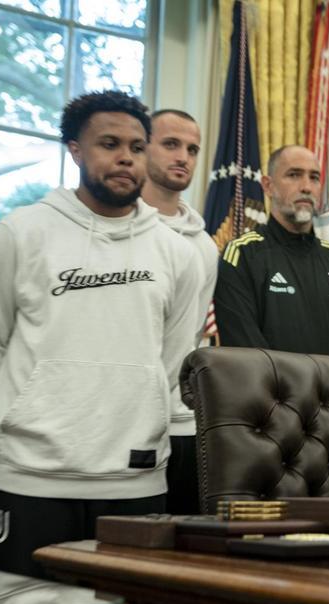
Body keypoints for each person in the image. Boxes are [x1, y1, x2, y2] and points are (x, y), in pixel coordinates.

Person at [0, 90, 201, 577]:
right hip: (32, 477)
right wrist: (29, 406)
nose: (125, 159)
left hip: (134, 481)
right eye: (109, 144)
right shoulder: (21, 233)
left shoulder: (177, 254)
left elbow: (174, 358)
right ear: (74, 149)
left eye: (136, 147)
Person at [214, 144, 329, 358]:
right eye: (294, 175)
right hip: (269, 391)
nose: (306, 187)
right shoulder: (242, 256)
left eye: (314, 177)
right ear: (268, 186)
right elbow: (247, 357)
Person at [141, 108, 218, 515]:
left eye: (192, 149)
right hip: (123, 417)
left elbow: (189, 334)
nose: (183, 157)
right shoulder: (127, 227)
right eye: (170, 144)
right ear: (144, 147)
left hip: (183, 420)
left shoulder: (204, 246)